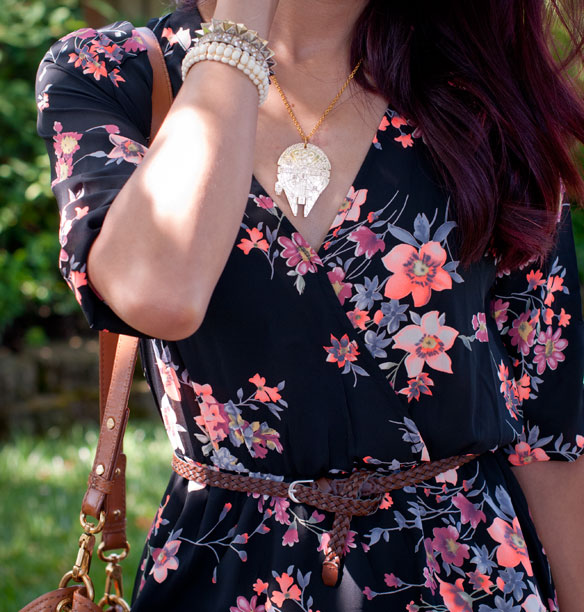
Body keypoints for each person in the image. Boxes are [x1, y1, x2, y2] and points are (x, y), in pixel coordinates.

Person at [35, 0, 584, 609]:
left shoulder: (480, 82)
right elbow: (159, 293)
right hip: (228, 576)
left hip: (466, 580)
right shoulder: (118, 73)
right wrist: (241, 31)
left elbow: (552, 430)